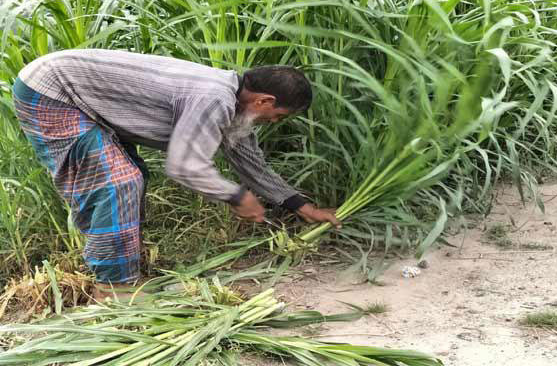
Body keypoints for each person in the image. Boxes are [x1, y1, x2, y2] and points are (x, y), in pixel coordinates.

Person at [12, 49, 340, 301]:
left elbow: (249, 160)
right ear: (265, 100)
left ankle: (122, 264)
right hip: (52, 91)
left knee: (130, 175)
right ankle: (113, 290)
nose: (274, 122)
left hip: (73, 91)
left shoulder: (234, 103)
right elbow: (184, 166)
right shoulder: (213, 98)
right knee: (118, 183)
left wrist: (298, 204)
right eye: (279, 115)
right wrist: (236, 196)